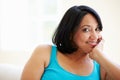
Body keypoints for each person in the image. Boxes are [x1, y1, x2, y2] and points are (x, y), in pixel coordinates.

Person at [21, 5, 120, 80]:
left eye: (97, 29)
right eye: (86, 30)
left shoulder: (100, 66)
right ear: (70, 33)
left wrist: (100, 55)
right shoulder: (44, 53)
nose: (94, 36)